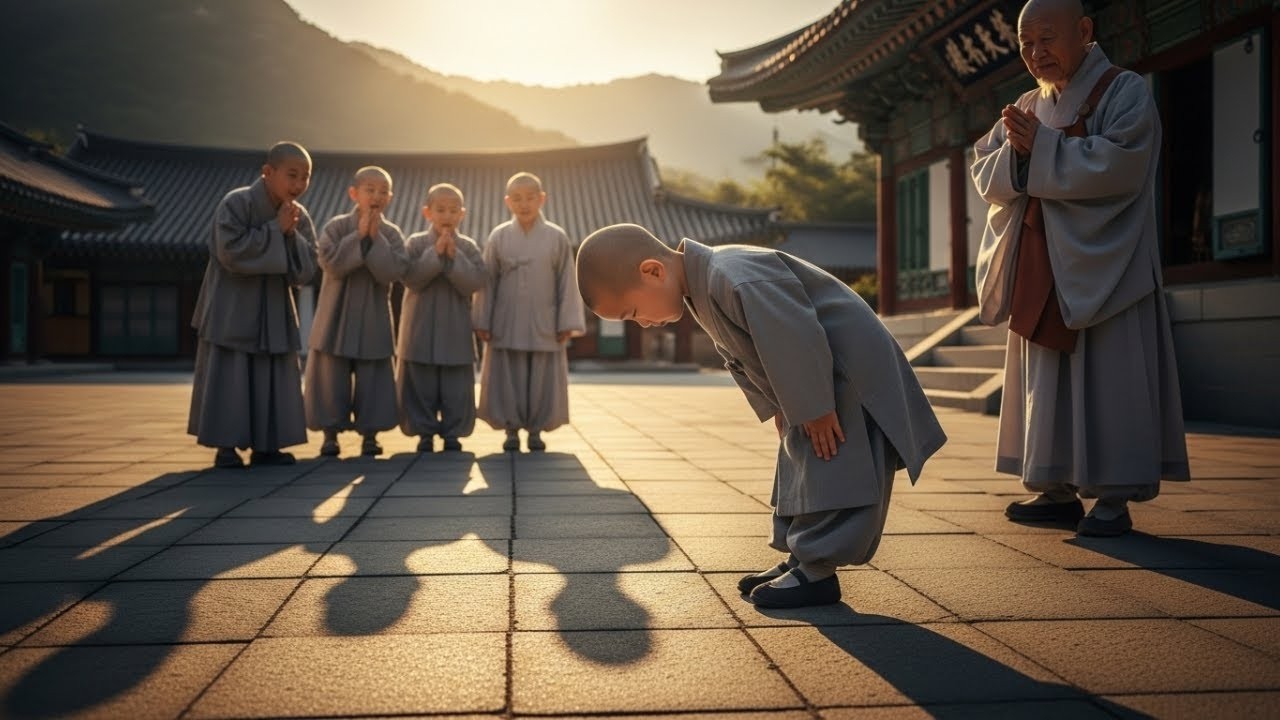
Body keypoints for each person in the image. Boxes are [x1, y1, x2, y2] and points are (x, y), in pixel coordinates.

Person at [575, 224, 946, 609]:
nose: (643, 324)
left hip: (847, 372)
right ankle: (800, 558)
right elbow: (741, 357)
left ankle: (818, 572)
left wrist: (814, 407)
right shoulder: (702, 287)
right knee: (803, 463)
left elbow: (794, 336)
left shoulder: (732, 275)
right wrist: (777, 406)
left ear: (653, 271)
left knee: (835, 464)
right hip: (816, 379)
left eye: (634, 313)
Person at [971, 0, 1189, 537]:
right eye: (1025, 44)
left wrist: (1040, 149)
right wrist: (1020, 157)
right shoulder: (1026, 102)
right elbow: (986, 169)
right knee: (1046, 381)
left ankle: (1114, 499)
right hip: (1042, 263)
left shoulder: (1125, 90)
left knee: (1110, 378)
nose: (1035, 53)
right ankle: (1055, 489)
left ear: (1084, 31)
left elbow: (1123, 166)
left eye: (1046, 39)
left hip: (1104, 265)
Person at [188, 141, 317, 468]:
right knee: (231, 373)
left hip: (274, 309)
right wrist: (277, 230)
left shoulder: (298, 216)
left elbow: (306, 269)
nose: (299, 185)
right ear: (267, 172)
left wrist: (289, 235)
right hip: (233, 308)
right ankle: (226, 447)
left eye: (305, 177)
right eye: (292, 175)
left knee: (270, 375)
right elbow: (230, 252)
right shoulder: (237, 203)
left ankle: (267, 445)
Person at [473, 172, 585, 452]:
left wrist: (566, 322)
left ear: (542, 199)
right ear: (507, 201)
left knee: (541, 376)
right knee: (507, 375)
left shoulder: (556, 237)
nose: (524, 204)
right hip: (505, 320)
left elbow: (567, 282)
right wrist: (482, 320)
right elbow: (487, 282)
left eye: (530, 197)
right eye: (517, 198)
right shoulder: (498, 236)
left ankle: (536, 430)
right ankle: (510, 430)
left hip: (544, 320)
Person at [304, 166, 408, 457]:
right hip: (335, 315)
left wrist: (375, 240)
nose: (377, 196)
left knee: (372, 378)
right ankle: (330, 435)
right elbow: (330, 263)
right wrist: (358, 237)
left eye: (383, 191)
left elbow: (393, 272)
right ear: (354, 193)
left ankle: (370, 436)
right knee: (330, 379)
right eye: (370, 190)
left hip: (372, 317)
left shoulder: (392, 233)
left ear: (390, 197)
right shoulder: (336, 227)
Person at [396, 183, 487, 452]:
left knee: (455, 386)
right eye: (440, 209)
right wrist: (435, 254)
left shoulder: (468, 247)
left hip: (455, 328)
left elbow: (474, 282)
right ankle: (423, 433)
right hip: (420, 326)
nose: (447, 215)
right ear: (428, 212)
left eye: (453, 210)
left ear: (462, 214)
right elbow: (411, 278)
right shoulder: (415, 243)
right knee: (420, 384)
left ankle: (452, 434)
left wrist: (454, 256)